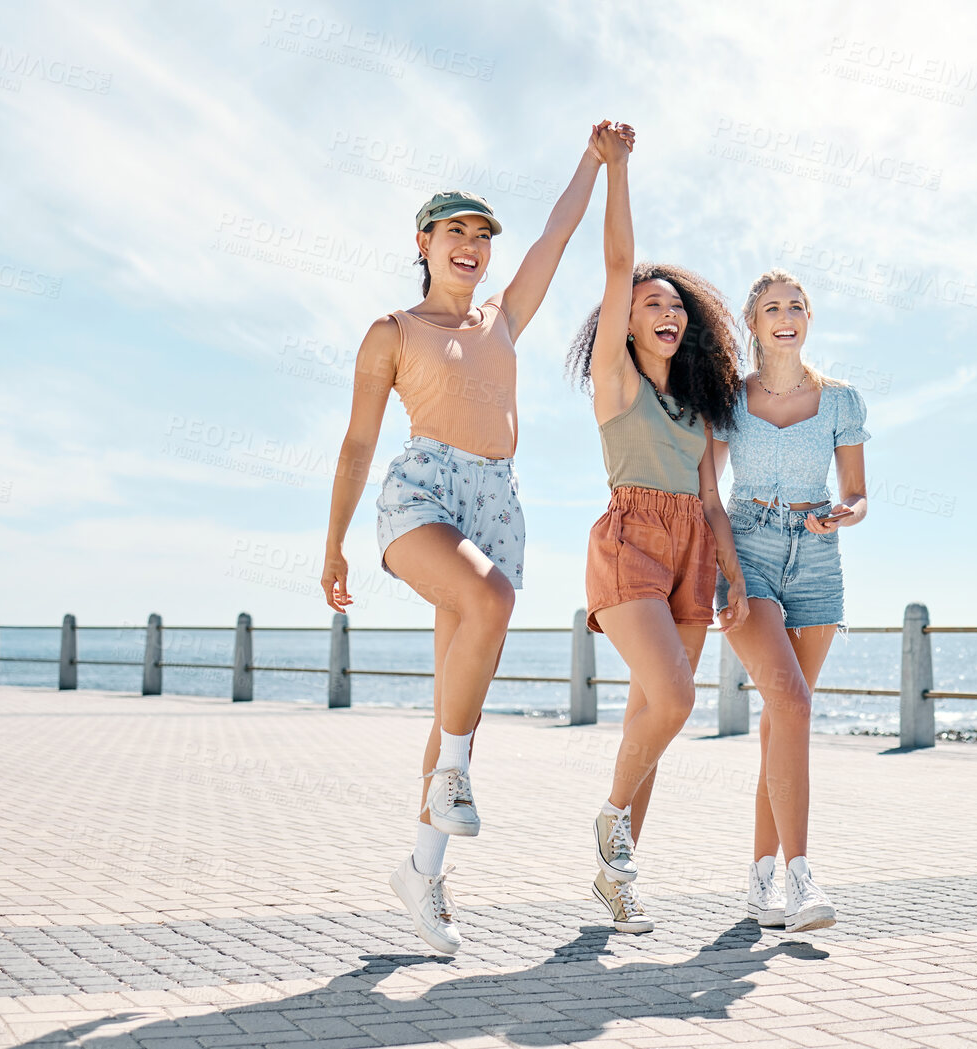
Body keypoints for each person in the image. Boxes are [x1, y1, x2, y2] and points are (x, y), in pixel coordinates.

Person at [320, 121, 631, 955]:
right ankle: (452, 776)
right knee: (487, 596)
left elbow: (559, 235)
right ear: (423, 242)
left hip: (494, 499)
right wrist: (334, 544)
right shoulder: (391, 331)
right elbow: (357, 442)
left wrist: (596, 161)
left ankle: (422, 874)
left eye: (481, 234)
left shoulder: (502, 319)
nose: (472, 243)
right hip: (421, 492)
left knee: (458, 699)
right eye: (454, 230)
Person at [564, 125, 745, 933]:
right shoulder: (614, 379)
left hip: (693, 552)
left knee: (655, 717)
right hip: (631, 539)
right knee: (671, 697)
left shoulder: (700, 405)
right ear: (626, 323)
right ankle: (611, 818)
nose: (664, 311)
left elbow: (711, 497)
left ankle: (618, 874)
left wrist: (733, 573)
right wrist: (618, 169)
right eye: (649, 304)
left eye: (675, 304)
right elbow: (613, 265)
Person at [711, 269, 869, 932]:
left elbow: (858, 493)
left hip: (817, 560)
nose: (786, 316)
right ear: (753, 321)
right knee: (793, 703)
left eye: (796, 306)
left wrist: (843, 513)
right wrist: (727, 573)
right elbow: (704, 494)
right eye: (772, 307)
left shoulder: (840, 400)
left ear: (809, 319)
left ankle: (758, 882)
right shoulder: (727, 399)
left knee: (783, 721)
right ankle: (801, 876)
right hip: (747, 553)